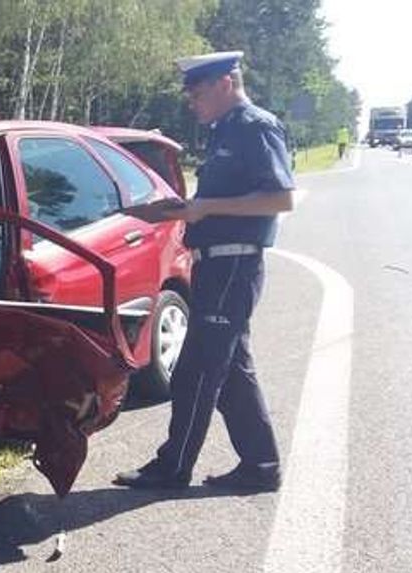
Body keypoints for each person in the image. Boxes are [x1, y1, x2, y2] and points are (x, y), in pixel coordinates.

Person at [114, 51, 294, 492]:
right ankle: (261, 466)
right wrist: (172, 211)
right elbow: (219, 201)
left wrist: (207, 207)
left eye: (197, 93)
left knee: (195, 370)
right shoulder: (224, 132)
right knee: (231, 371)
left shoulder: (256, 127)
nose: (191, 102)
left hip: (234, 264)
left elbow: (280, 198)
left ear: (226, 82)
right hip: (217, 266)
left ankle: (173, 467)